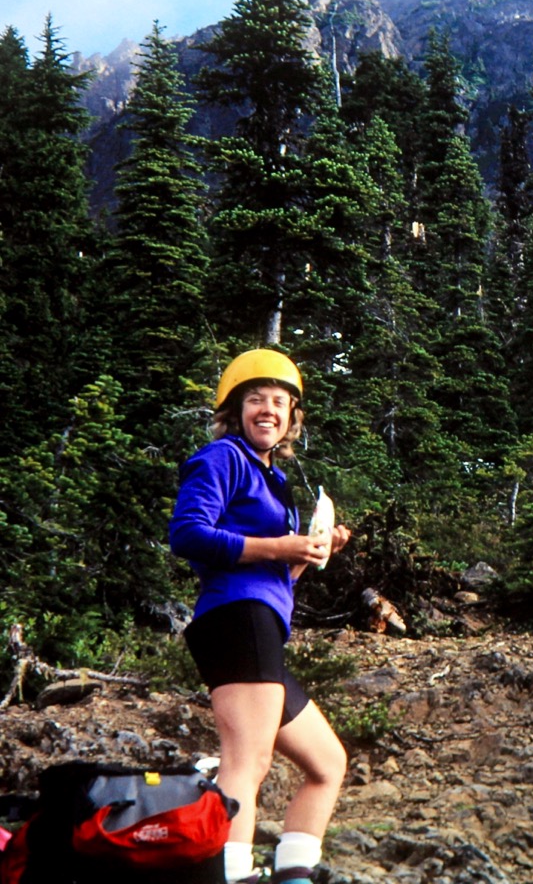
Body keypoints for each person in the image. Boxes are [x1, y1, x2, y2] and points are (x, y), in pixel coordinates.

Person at [169, 349, 352, 884]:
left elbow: (276, 575)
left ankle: (294, 875)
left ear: (292, 416)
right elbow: (188, 534)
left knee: (327, 763)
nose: (268, 409)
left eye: (279, 401)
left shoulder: (274, 478)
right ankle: (231, 875)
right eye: (255, 399)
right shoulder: (222, 457)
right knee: (246, 762)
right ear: (234, 410)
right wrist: (280, 545)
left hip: (260, 622)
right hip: (235, 618)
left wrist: (310, 553)